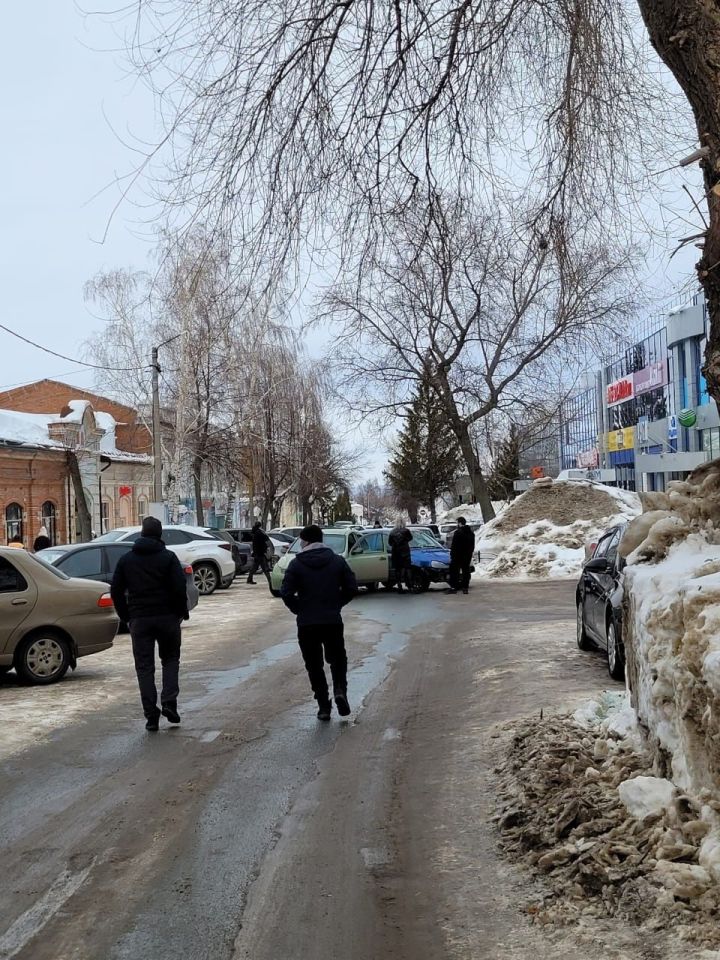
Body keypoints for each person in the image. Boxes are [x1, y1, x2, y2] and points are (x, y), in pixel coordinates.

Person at [110, 516, 189, 731]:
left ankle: (151, 715)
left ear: (142, 534)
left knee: (144, 668)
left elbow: (115, 590)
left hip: (139, 620)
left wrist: (127, 615)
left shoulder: (127, 560)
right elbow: (179, 588)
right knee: (171, 660)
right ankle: (169, 703)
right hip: (167, 618)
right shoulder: (169, 558)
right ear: (160, 534)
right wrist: (181, 612)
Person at [280, 524, 358, 721]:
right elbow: (351, 587)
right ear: (321, 540)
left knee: (314, 665)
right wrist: (337, 603)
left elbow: (286, 592)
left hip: (307, 624)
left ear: (305, 541)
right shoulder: (337, 561)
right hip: (332, 621)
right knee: (337, 659)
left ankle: (324, 706)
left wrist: (300, 609)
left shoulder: (296, 564)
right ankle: (340, 690)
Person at [448, 517, 476, 595]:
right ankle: (465, 588)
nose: (457, 524)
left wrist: (452, 555)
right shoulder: (471, 533)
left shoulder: (458, 533)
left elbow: (454, 546)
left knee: (454, 572)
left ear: (460, 523)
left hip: (457, 556)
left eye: (457, 523)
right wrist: (469, 553)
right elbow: (472, 545)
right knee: (466, 572)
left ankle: (453, 587)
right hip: (467, 556)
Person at [247, 521, 273, 588]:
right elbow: (266, 539)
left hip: (256, 553)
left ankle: (249, 579)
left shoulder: (254, 532)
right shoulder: (259, 533)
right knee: (265, 568)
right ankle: (270, 581)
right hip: (260, 553)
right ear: (260, 526)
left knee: (255, 567)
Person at [388, 523, 413, 592]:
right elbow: (410, 538)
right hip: (405, 552)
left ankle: (399, 586)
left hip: (396, 553)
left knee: (397, 569)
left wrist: (395, 543)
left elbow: (389, 543)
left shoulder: (392, 532)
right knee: (408, 568)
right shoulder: (406, 531)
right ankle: (410, 586)